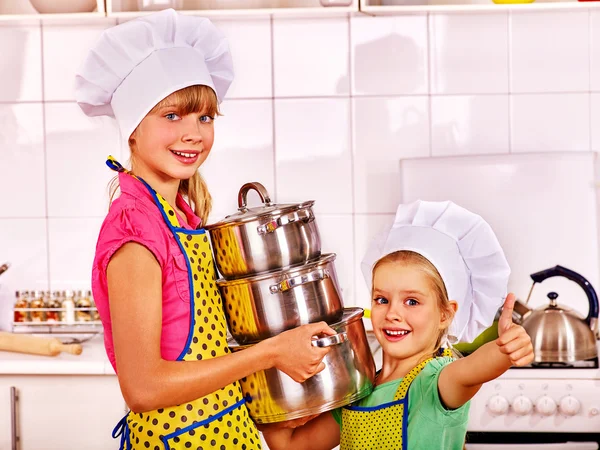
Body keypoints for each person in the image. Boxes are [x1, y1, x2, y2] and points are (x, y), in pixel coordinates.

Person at [76, 9, 335, 450]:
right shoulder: (134, 231)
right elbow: (143, 389)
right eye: (172, 116)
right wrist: (272, 352)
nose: (194, 134)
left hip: (227, 432)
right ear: (132, 129)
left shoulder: (183, 218)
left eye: (206, 117)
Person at [261, 200, 534, 450]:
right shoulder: (358, 390)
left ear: (445, 314)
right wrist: (264, 364)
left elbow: (475, 369)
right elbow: (292, 447)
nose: (392, 313)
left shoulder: (436, 381)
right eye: (382, 299)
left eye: (412, 302)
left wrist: (504, 350)